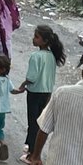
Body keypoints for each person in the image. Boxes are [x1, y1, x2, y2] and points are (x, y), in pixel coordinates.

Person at [22, 25, 64, 153]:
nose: (33, 39)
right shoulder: (52, 56)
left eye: (36, 37)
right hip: (47, 92)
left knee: (32, 121)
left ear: (45, 41)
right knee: (40, 120)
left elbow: (32, 77)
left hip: (34, 92)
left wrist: (22, 85)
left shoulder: (36, 56)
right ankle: (31, 145)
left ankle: (32, 151)